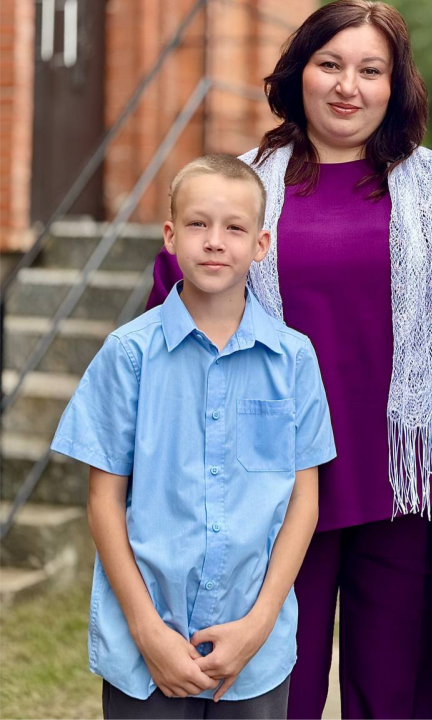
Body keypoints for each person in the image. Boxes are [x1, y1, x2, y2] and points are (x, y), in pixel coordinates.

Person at [148, 0, 432, 719]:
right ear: (299, 73)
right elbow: (169, 321)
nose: (349, 86)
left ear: (395, 86)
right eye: (331, 64)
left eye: (371, 70)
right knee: (278, 693)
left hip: (402, 486)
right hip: (268, 484)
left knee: (393, 699)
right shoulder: (239, 187)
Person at [51, 154, 336, 719]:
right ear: (170, 236)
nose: (214, 241)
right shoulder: (127, 356)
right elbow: (103, 500)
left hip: (254, 650)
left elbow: (304, 500)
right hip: (146, 648)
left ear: (261, 244)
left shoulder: (294, 359)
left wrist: (259, 624)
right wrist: (146, 630)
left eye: (234, 228)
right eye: (198, 224)